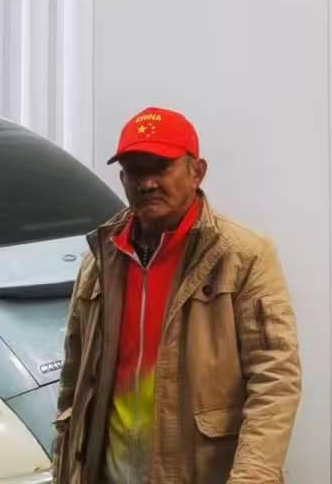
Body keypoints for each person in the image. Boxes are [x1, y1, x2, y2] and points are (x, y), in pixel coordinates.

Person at [53, 107, 302, 484]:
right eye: (135, 170)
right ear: (122, 178)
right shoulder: (101, 258)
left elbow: (275, 379)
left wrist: (253, 476)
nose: (147, 183)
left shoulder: (243, 255)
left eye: (161, 167)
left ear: (197, 172)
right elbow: (73, 378)